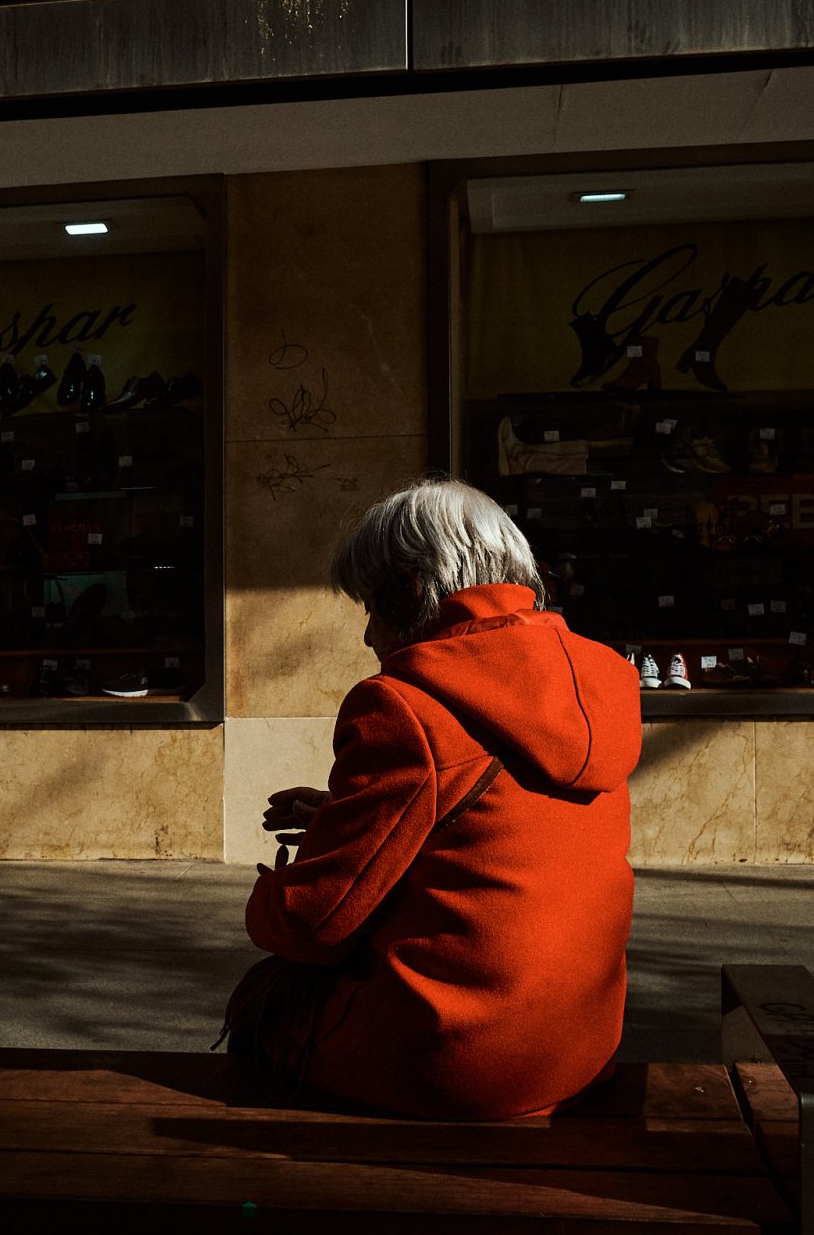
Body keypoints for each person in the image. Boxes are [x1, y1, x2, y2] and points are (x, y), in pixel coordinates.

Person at [226, 475, 643, 1127]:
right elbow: (499, 828)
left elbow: (316, 922)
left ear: (410, 590)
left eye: (371, 606)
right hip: (578, 1053)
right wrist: (342, 814)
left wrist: (267, 896)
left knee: (265, 1001)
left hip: (460, 1064)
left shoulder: (403, 703)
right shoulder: (601, 680)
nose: (369, 636)